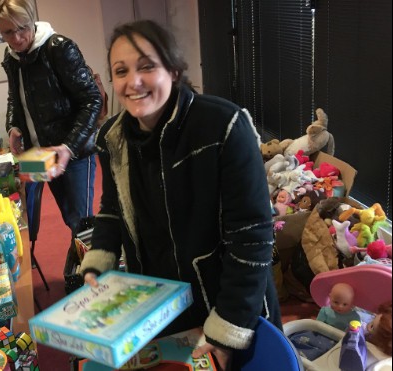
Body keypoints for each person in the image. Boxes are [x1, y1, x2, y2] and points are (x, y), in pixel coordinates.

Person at [79, 20, 281, 370]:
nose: (134, 81)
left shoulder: (223, 125)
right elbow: (112, 208)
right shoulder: (112, 138)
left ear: (173, 69)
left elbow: (251, 238)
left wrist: (225, 330)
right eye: (121, 71)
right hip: (160, 306)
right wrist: (99, 260)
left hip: (230, 306)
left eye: (146, 66)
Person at [0, 0, 102, 236]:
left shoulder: (59, 47)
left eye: (22, 28)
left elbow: (93, 99)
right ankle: (81, 266)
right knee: (67, 216)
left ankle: (92, 271)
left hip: (75, 151)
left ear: (32, 20)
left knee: (82, 222)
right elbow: (15, 97)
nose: (17, 38)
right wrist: (13, 126)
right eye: (8, 32)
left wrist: (69, 147)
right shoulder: (11, 56)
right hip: (40, 152)